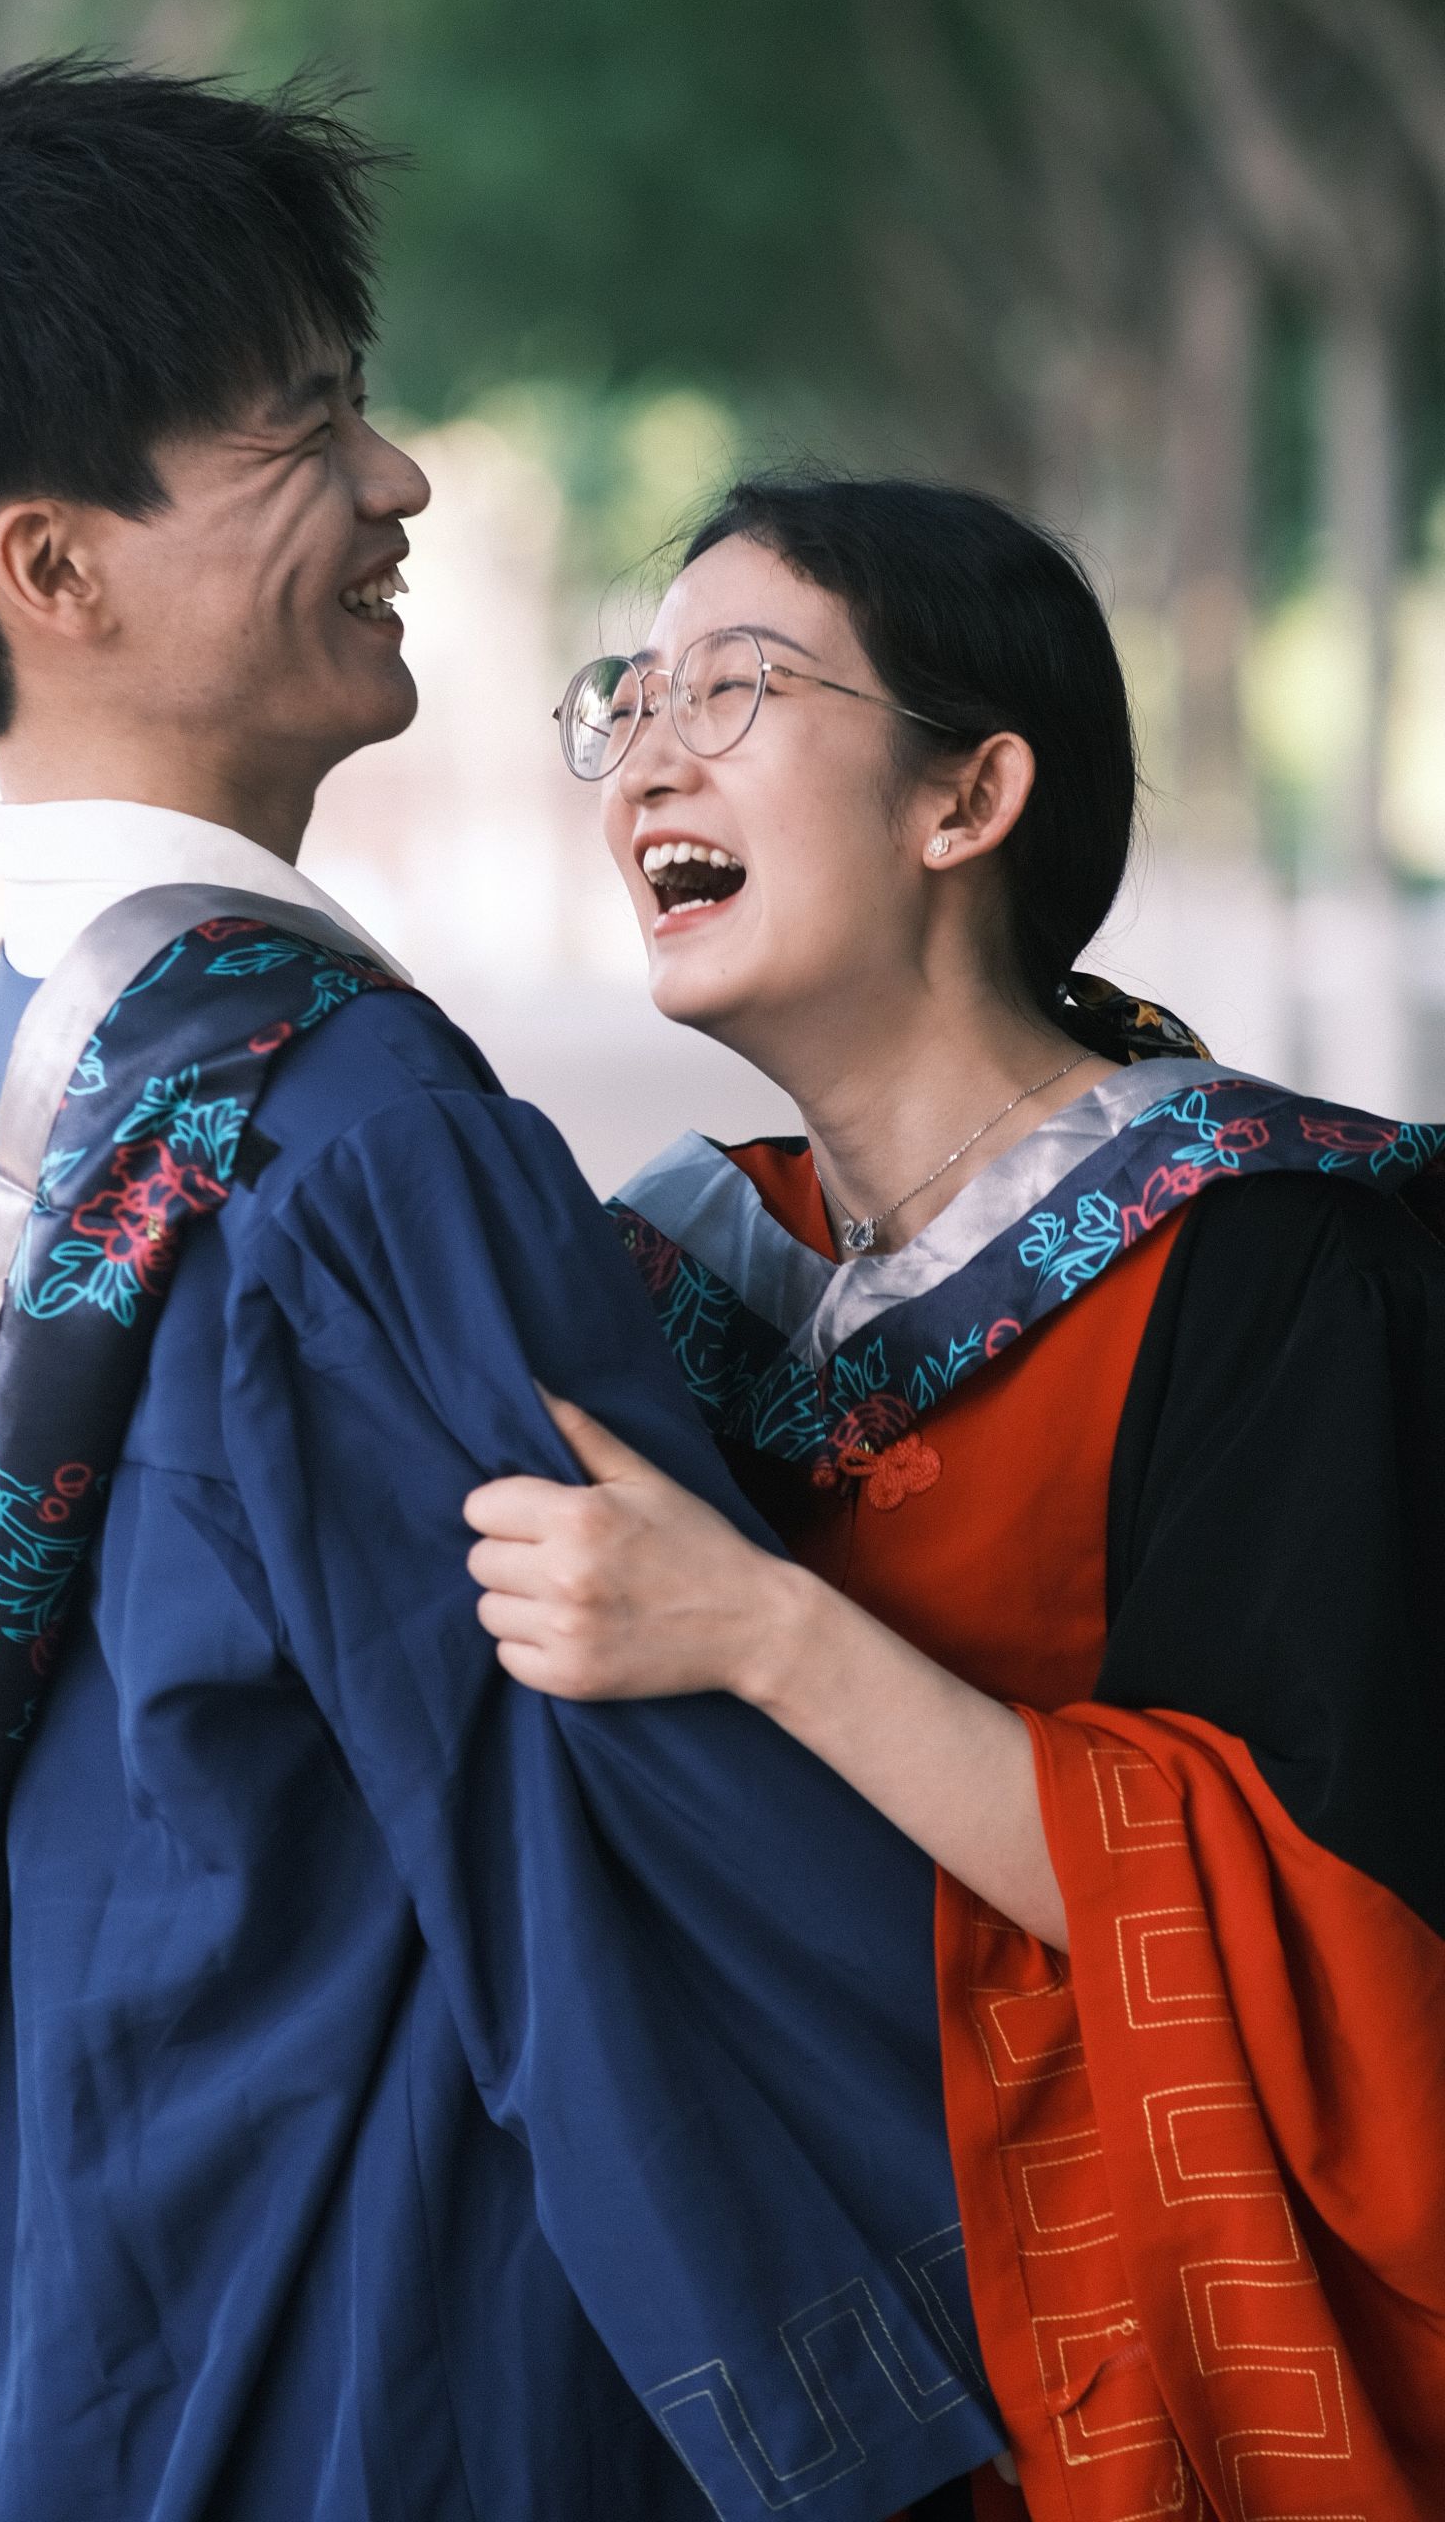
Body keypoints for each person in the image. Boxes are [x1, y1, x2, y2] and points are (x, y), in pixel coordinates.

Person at [0, 67, 1007, 2522]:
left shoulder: (52, 1041)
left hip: (112, 2258)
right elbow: (628, 1829)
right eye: (302, 430)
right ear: (54, 570)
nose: (395, 483)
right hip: (371, 2326)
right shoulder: (354, 1136)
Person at [463, 471, 1445, 2522]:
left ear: (968, 798)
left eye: (734, 689)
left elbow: (1318, 1923)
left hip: (1126, 2377)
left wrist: (759, 1631)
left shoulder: (1272, 1258)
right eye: (630, 701)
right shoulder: (668, 1283)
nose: (648, 760)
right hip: (797, 2357)